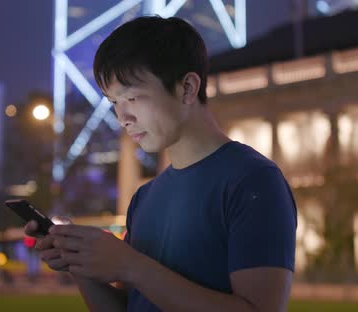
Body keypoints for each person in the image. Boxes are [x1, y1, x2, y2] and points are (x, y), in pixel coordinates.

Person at [26, 16, 297, 312]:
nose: (123, 117)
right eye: (114, 102)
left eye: (132, 96)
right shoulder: (145, 197)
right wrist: (77, 263)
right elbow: (133, 306)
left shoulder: (253, 181)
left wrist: (132, 266)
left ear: (187, 88)